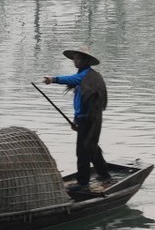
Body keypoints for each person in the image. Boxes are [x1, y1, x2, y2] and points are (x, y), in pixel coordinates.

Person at [43, 45, 111, 188]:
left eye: (79, 58)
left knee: (83, 150)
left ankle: (83, 182)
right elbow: (80, 102)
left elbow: (73, 79)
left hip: (91, 119)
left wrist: (53, 79)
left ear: (86, 60)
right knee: (90, 147)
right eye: (75, 58)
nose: (76, 61)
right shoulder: (84, 78)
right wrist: (76, 120)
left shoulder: (88, 76)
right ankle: (104, 174)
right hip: (83, 118)